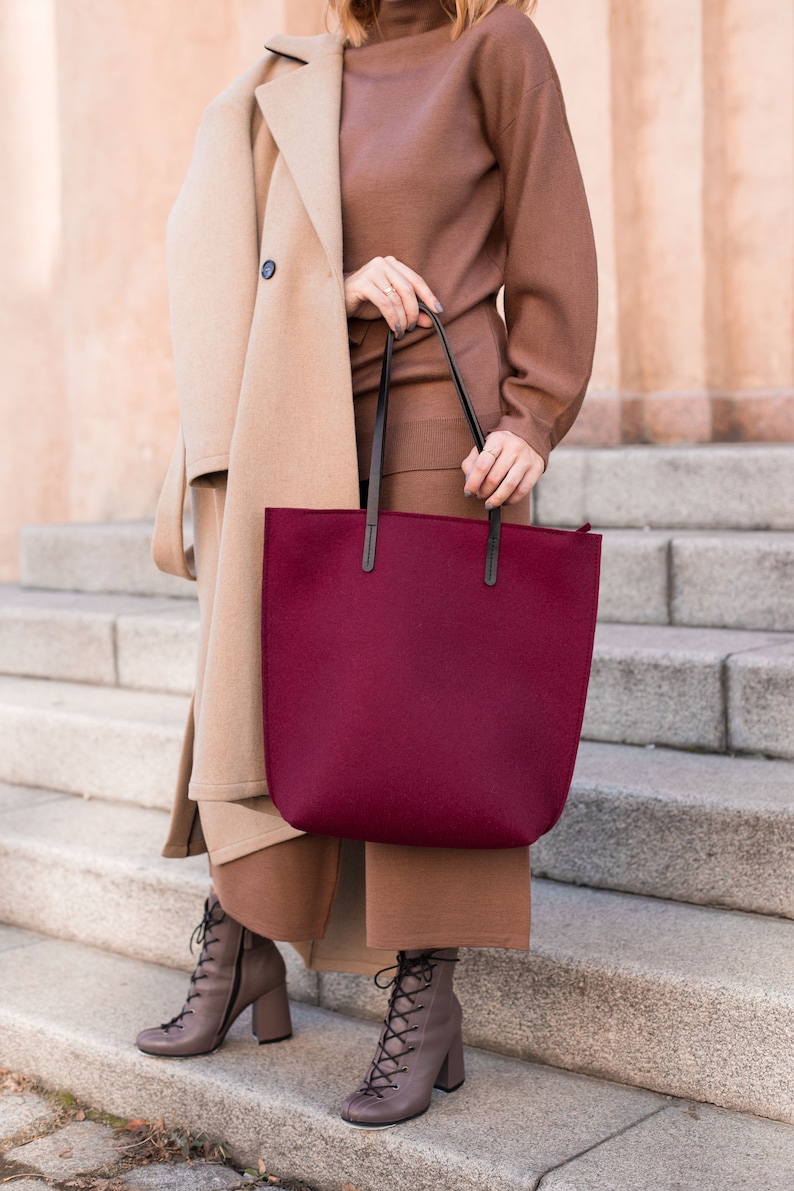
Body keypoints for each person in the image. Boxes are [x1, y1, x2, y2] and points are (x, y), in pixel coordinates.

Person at [137, 0, 597, 1128]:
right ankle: (242, 939)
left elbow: (551, 237)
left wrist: (530, 418)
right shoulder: (304, 62)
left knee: (418, 718)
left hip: (445, 415)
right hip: (299, 406)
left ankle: (424, 996)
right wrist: (331, 289)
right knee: (264, 676)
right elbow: (251, 246)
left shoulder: (495, 45)